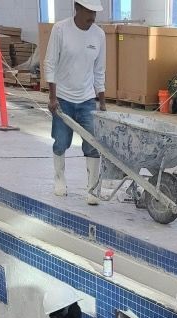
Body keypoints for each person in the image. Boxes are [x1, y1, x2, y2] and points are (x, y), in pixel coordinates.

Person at [44, 0, 106, 205]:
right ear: (77, 8)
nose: (92, 17)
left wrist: (102, 102)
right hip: (62, 98)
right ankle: (60, 179)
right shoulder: (60, 30)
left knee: (93, 144)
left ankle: (92, 190)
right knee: (61, 141)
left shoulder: (98, 35)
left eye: (95, 12)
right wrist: (52, 97)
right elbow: (50, 64)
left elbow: (99, 71)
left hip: (87, 99)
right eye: (89, 11)